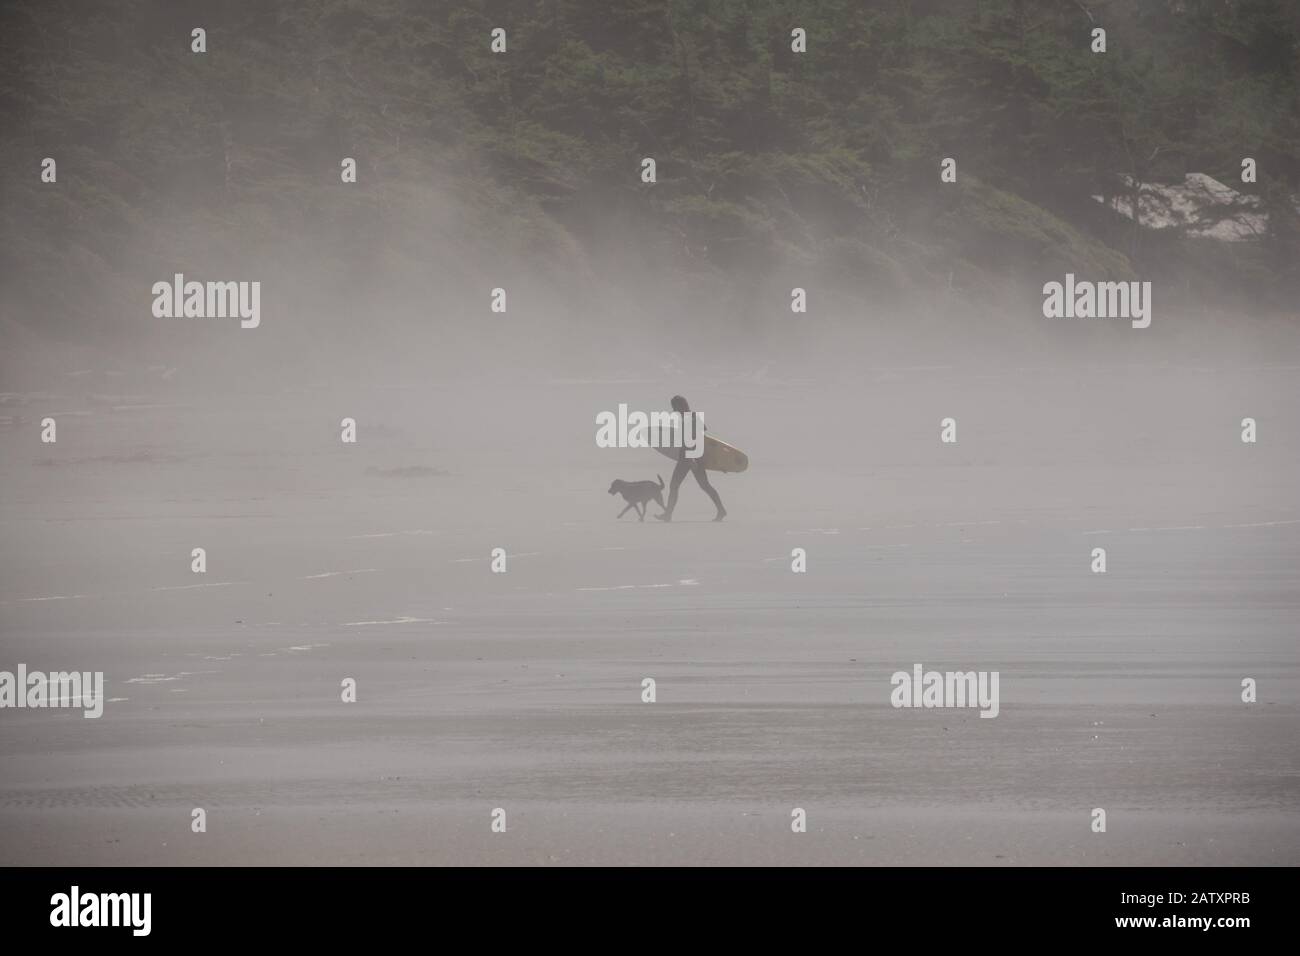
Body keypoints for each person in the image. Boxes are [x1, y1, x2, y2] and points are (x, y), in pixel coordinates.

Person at [657, 394, 726, 522]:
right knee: (704, 486)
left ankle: (668, 515)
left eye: (675, 406)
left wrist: (692, 459)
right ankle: (721, 510)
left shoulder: (690, 418)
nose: (674, 409)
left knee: (674, 486)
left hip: (689, 458)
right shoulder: (689, 417)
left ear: (680, 405)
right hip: (690, 457)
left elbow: (695, 439)